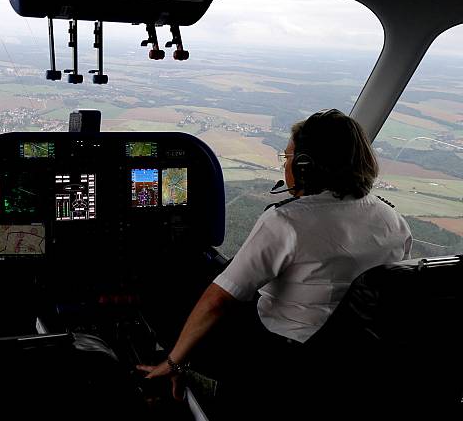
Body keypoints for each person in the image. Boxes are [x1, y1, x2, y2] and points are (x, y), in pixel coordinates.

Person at [137, 109, 412, 402]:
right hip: (349, 355)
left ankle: (166, 367)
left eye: (288, 157)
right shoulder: (393, 220)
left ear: (305, 165)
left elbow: (218, 301)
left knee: (163, 285)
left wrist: (174, 362)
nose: (286, 165)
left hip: (279, 357)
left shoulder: (287, 222)